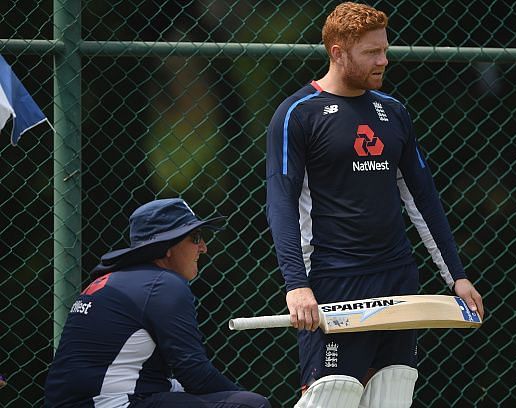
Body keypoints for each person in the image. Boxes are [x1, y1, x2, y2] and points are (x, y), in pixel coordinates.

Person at [265, 2, 484, 407]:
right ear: (337, 52)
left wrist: (456, 275)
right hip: (335, 280)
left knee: (391, 395)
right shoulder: (297, 113)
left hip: (398, 279)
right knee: (332, 397)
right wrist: (297, 285)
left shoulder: (395, 112)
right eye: (371, 52)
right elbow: (280, 205)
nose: (383, 60)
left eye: (384, 49)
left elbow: (423, 199)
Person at [44, 198, 271, 408]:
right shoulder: (163, 285)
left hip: (95, 399)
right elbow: (195, 374)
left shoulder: (115, 280)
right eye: (195, 237)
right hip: (110, 403)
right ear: (167, 247)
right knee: (251, 405)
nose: (204, 247)